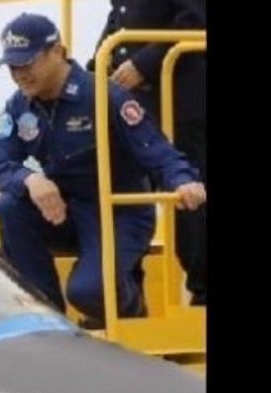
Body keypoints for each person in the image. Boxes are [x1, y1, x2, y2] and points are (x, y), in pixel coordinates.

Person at [0, 12, 205, 327]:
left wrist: (184, 181)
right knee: (9, 207)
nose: (19, 74)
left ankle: (131, 306)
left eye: (27, 63)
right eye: (12, 67)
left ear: (57, 52)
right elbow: (1, 166)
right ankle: (47, 319)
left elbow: (158, 152)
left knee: (88, 292)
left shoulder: (104, 96)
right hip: (63, 213)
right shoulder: (18, 108)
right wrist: (30, 179)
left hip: (118, 214)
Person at [88, 0, 207, 305]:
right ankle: (128, 300)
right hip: (136, 109)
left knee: (189, 204)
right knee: (127, 200)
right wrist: (94, 68)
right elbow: (121, 18)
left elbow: (195, 18)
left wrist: (144, 64)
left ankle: (202, 295)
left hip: (181, 101)